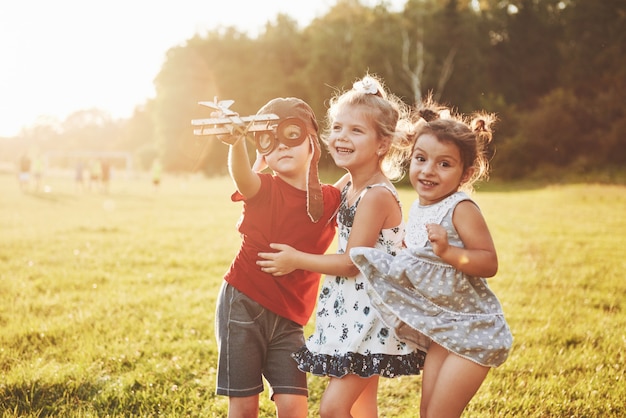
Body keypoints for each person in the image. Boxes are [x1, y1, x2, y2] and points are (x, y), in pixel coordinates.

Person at [257, 75, 426, 418]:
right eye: (336, 128)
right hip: (352, 309)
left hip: (372, 313)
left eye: (355, 131)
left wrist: (296, 260)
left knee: (333, 409)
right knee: (364, 408)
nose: (341, 137)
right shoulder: (350, 182)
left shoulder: (376, 195)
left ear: (382, 145)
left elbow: (352, 262)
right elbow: (314, 208)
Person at [349, 101, 513, 418]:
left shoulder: (460, 207)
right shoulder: (419, 208)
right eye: (421, 159)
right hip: (443, 327)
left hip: (474, 329)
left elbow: (488, 262)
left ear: (466, 173)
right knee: (428, 412)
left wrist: (449, 252)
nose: (428, 171)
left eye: (444, 164)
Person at [214, 97, 342, 418]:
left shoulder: (329, 199)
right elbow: (242, 176)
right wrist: (237, 142)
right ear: (264, 152)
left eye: (292, 135)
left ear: (313, 143)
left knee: (294, 407)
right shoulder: (264, 188)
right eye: (271, 140)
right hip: (243, 305)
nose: (282, 147)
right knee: (244, 407)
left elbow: (361, 175)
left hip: (289, 320)